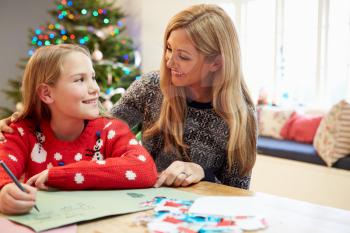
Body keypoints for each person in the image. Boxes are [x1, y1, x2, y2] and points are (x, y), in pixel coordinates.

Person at [0, 4, 256, 190]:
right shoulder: (151, 86)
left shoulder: (241, 114)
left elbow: (237, 193)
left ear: (216, 63)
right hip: (139, 206)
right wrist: (27, 122)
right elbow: (98, 129)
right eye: (168, 49)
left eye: (183, 56)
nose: (169, 61)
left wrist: (202, 173)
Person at [0, 44, 157, 215]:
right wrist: (4, 192)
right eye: (80, 80)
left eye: (93, 77)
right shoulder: (20, 131)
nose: (95, 88)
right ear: (46, 93)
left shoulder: (110, 129)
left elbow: (145, 169)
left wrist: (60, 175)